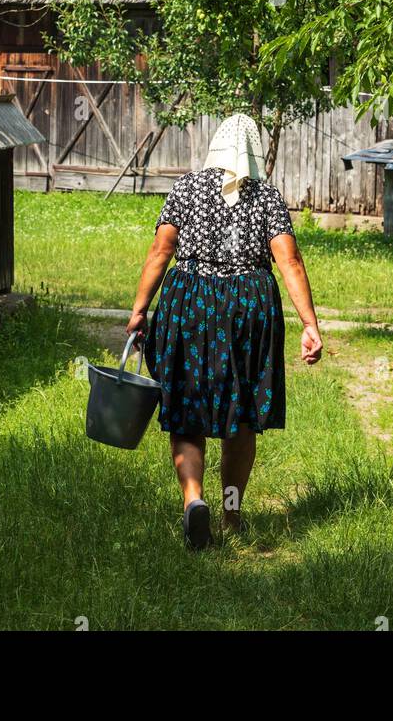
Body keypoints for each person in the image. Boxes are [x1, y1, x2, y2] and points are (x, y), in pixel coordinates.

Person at [126, 113, 323, 549]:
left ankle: (194, 501)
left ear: (215, 145)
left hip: (190, 299)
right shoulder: (267, 197)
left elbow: (162, 250)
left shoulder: (186, 187)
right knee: (243, 410)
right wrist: (310, 324)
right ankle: (232, 516)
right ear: (255, 149)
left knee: (187, 406)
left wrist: (140, 310)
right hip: (248, 305)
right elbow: (288, 262)